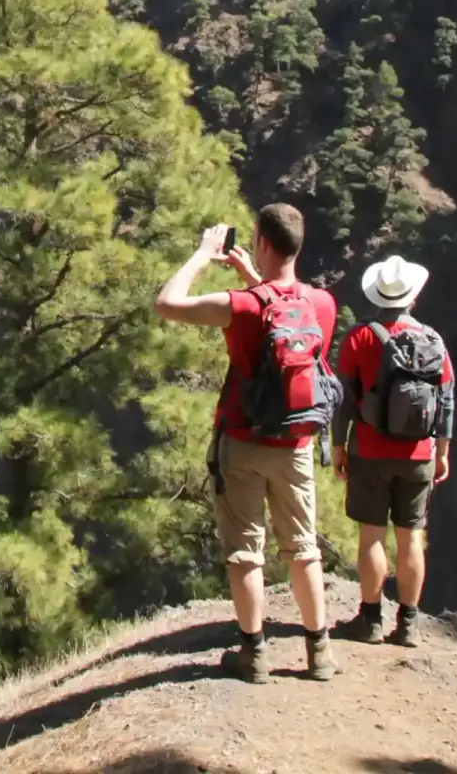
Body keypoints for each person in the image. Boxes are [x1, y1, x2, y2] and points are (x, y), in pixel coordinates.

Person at [154, 204, 339, 683]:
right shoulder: (322, 304)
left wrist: (202, 254)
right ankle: (319, 652)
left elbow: (166, 303)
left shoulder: (238, 306)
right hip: (296, 442)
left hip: (243, 439)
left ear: (260, 241)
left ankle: (253, 655)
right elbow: (282, 310)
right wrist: (254, 274)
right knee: (302, 547)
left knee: (245, 551)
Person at [330, 255, 454, 649]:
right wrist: (442, 453)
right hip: (418, 453)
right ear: (412, 296)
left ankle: (370, 620)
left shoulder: (358, 338)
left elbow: (344, 400)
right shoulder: (434, 340)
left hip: (369, 450)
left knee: (372, 537)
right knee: (412, 537)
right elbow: (446, 403)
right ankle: (409, 625)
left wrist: (338, 445)